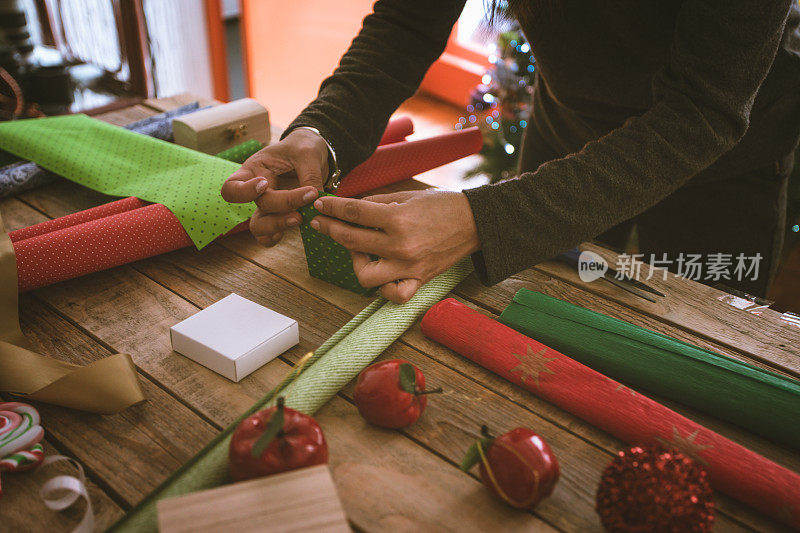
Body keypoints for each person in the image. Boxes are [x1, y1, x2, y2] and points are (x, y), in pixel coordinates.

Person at [221, 0, 800, 302]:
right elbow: (407, 20)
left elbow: (701, 112)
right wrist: (323, 131)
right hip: (571, 125)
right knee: (540, 308)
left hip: (728, 159)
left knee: (695, 352)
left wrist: (482, 219)